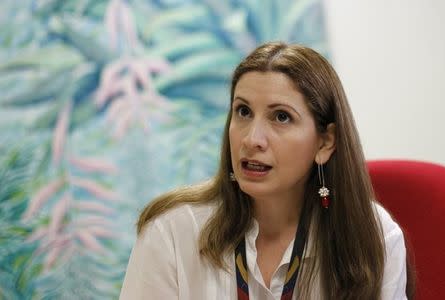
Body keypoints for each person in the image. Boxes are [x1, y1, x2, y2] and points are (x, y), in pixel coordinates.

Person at [119, 42, 410, 299]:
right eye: (243, 111)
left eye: (281, 117)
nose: (251, 139)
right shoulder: (172, 231)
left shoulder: (374, 236)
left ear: (325, 142)